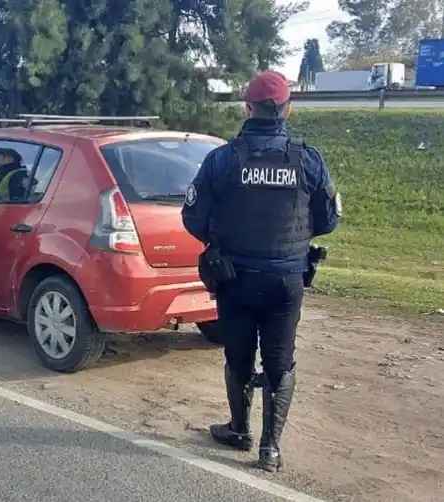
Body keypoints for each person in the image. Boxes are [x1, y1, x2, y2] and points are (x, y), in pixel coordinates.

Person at [181, 71, 341, 472]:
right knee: (280, 363)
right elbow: (327, 220)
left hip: (235, 278)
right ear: (288, 109)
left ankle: (239, 429)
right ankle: (270, 449)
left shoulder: (222, 159)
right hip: (286, 281)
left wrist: (220, 235)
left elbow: (192, 216)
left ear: (247, 108)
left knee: (238, 359)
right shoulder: (308, 159)